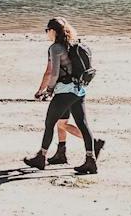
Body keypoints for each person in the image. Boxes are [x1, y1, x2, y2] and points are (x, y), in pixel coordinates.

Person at [22, 16, 103, 175]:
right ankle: (90, 160)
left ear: (52, 31)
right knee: (83, 124)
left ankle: (41, 157)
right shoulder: (72, 44)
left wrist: (48, 90)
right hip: (79, 90)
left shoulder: (55, 48)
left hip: (64, 92)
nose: (47, 33)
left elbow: (53, 73)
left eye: (47, 30)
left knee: (49, 123)